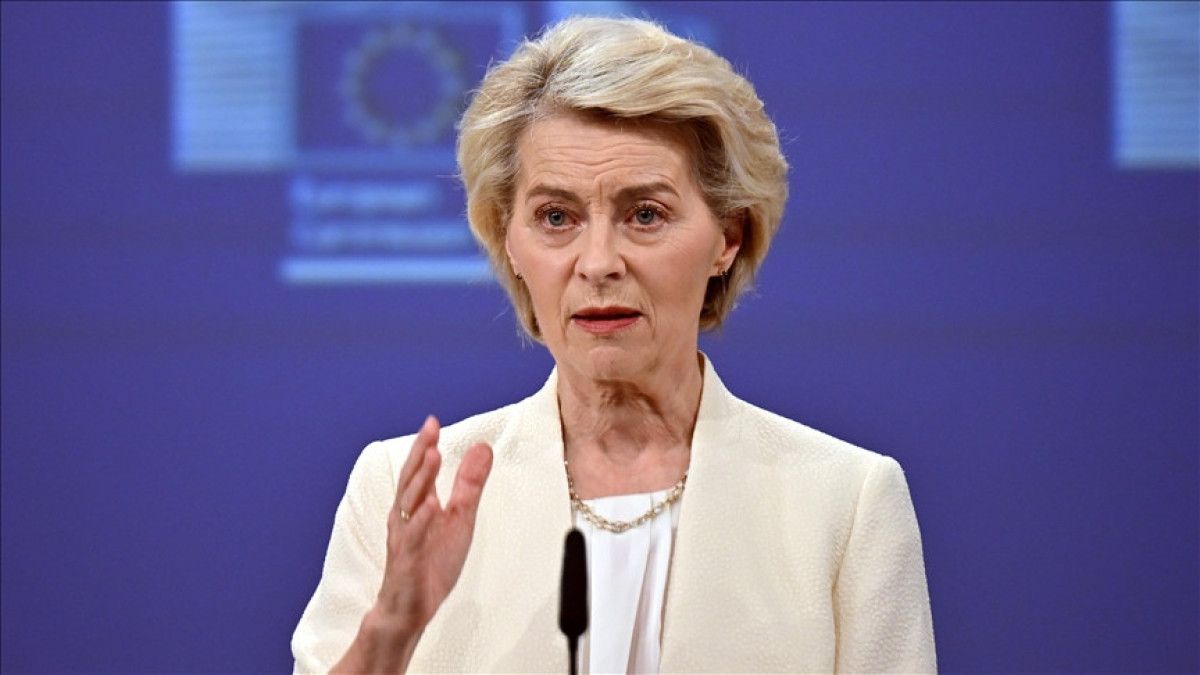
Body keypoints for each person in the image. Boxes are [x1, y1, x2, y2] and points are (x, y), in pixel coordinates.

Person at [293, 15, 935, 674]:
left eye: (645, 214)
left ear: (728, 237)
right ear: (509, 241)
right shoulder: (402, 494)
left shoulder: (845, 502)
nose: (598, 262)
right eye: (556, 217)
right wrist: (391, 633)